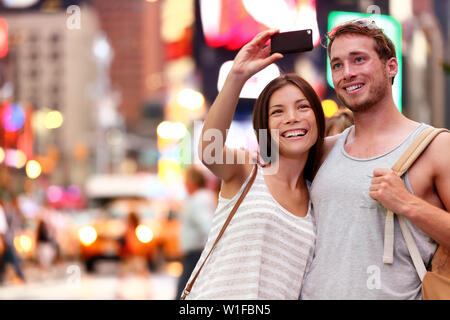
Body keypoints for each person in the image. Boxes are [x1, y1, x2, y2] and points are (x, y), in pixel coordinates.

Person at [300, 19, 450, 300]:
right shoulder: (323, 150)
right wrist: (239, 74)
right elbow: (257, 163)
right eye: (337, 65)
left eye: (359, 59)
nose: (347, 73)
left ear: (391, 66)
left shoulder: (436, 146)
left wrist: (408, 204)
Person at [183, 29, 325, 299]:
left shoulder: (317, 198)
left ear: (318, 119)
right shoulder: (248, 171)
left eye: (303, 107)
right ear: (265, 127)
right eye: (278, 111)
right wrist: (237, 76)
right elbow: (210, 150)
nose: (292, 118)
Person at [175, 166, 215, 299]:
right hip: (195, 254)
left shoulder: (198, 200)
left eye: (186, 181)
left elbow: (207, 227)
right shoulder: (200, 198)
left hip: (195, 254)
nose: (184, 184)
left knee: (182, 293)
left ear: (192, 182)